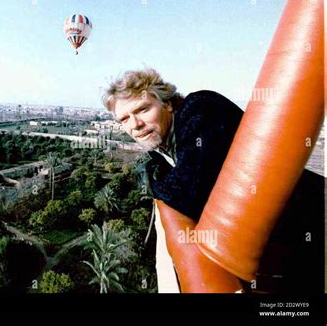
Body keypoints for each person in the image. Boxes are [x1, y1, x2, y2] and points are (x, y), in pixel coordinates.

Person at [102, 68, 323, 293]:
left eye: (142, 109)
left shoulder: (200, 108)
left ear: (167, 104)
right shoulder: (160, 145)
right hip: (285, 250)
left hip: (312, 221)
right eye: (124, 119)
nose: (135, 124)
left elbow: (188, 193)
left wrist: (151, 179)